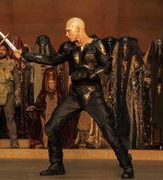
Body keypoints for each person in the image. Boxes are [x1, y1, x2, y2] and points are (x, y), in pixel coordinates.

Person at [14, 17, 134, 179]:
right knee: (51, 127)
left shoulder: (98, 44)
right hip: (75, 95)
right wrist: (25, 55)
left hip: (93, 95)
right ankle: (56, 164)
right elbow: (51, 60)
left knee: (109, 132)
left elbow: (107, 67)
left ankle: (127, 165)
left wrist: (89, 73)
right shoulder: (68, 47)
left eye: (68, 30)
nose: (66, 34)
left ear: (79, 29)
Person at [0, 44, 21, 148]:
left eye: (3, 50)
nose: (1, 51)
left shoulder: (12, 64)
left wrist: (17, 97)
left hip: (9, 95)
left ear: (6, 51)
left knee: (10, 118)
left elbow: (17, 82)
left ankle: (14, 141)